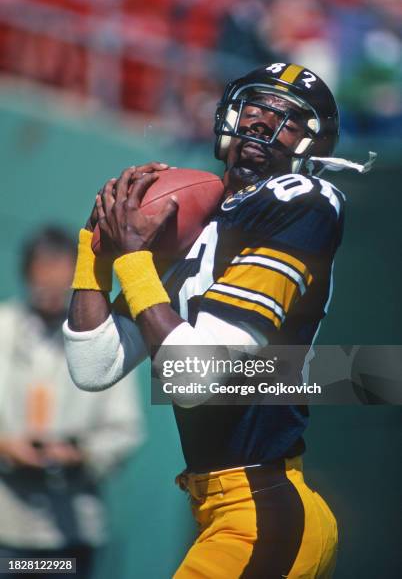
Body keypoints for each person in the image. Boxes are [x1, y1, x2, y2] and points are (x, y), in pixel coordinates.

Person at [63, 63, 373, 578]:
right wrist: (96, 248)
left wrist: (136, 262)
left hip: (264, 512)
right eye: (254, 107)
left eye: (287, 118)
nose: (260, 122)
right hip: (224, 508)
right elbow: (93, 365)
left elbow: (196, 377)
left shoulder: (302, 200)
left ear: (312, 145)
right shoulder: (199, 226)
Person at [0, 226, 145, 578]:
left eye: (60, 273)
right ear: (27, 273)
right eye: (43, 272)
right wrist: (5, 446)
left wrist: (79, 454)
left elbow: (126, 428)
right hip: (6, 527)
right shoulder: (3, 328)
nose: (51, 283)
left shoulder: (98, 339)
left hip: (72, 529)